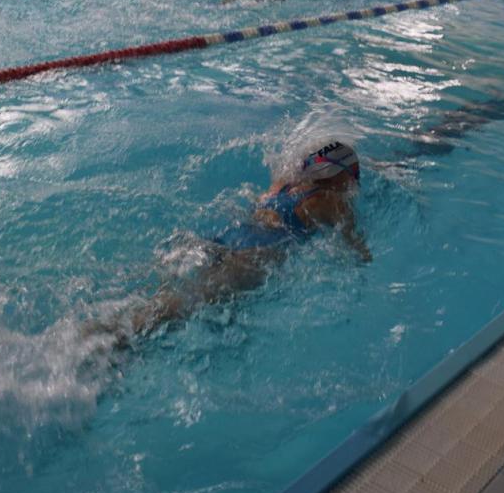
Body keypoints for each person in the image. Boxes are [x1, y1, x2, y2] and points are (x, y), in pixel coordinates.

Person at [100, 140, 367, 345]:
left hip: (227, 235)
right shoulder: (331, 201)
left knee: (156, 288)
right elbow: (355, 248)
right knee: (184, 305)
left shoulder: (282, 185)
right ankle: (111, 341)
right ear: (342, 175)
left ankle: (101, 325)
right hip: (256, 253)